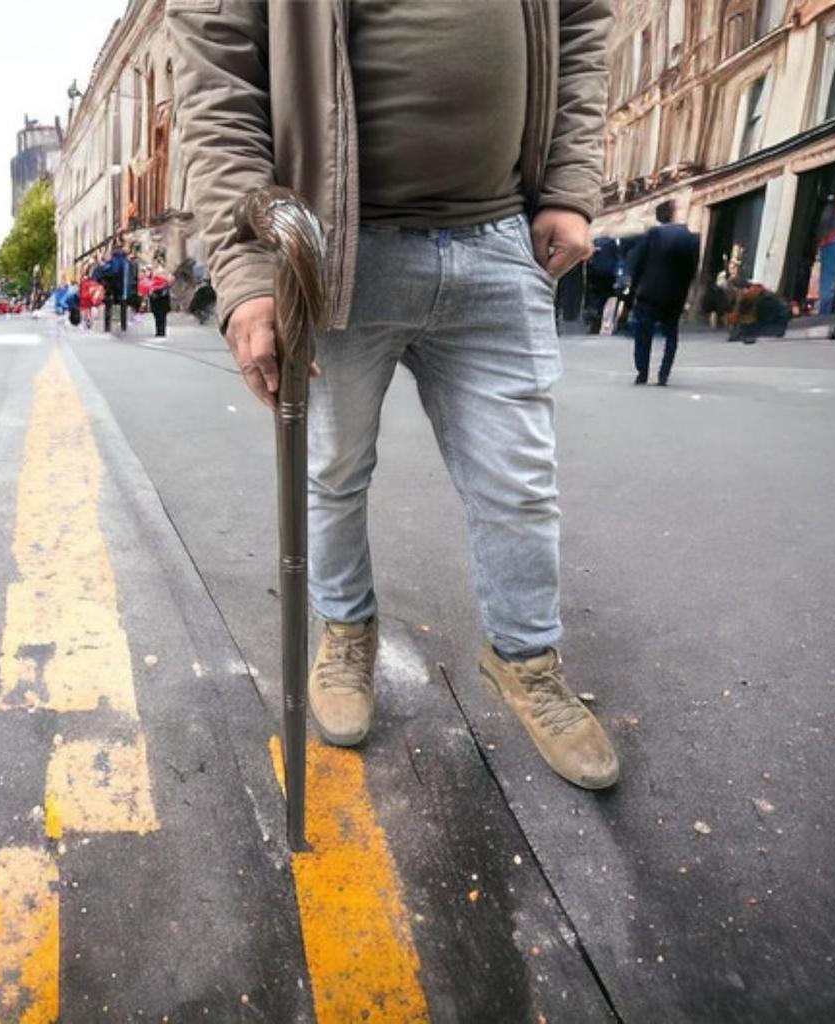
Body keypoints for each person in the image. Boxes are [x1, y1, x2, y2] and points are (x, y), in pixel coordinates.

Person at [169, 0, 619, 789]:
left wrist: (571, 185)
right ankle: (346, 629)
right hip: (338, 246)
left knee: (518, 482)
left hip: (498, 237)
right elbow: (218, 88)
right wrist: (247, 274)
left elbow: (581, 23)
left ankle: (525, 659)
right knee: (335, 470)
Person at [628, 200, 701, 385]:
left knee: (643, 334)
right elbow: (692, 269)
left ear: (658, 216)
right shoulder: (690, 237)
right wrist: (686, 291)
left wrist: (635, 287)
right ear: (673, 214)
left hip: (649, 293)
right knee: (671, 334)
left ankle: (642, 372)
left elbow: (637, 262)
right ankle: (664, 373)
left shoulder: (652, 235)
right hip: (675, 295)